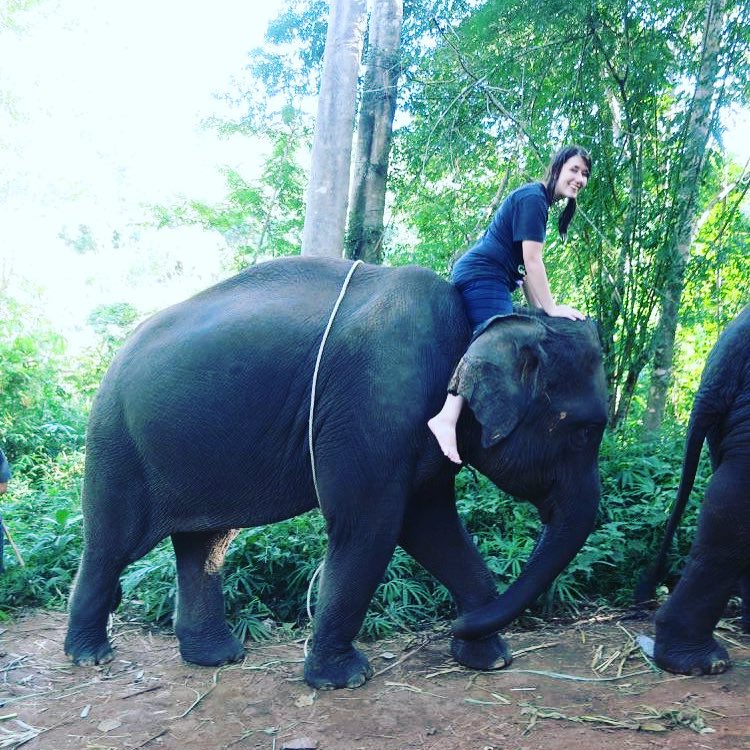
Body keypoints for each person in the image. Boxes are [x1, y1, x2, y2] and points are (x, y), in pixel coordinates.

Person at [428, 145, 592, 464]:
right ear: (557, 168)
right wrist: (553, 308)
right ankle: (446, 417)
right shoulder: (534, 199)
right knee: (498, 339)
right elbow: (532, 260)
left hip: (495, 276)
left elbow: (524, 273)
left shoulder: (539, 202)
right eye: (574, 169)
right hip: (483, 273)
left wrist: (540, 313)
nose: (579, 178)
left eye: (584, 174)